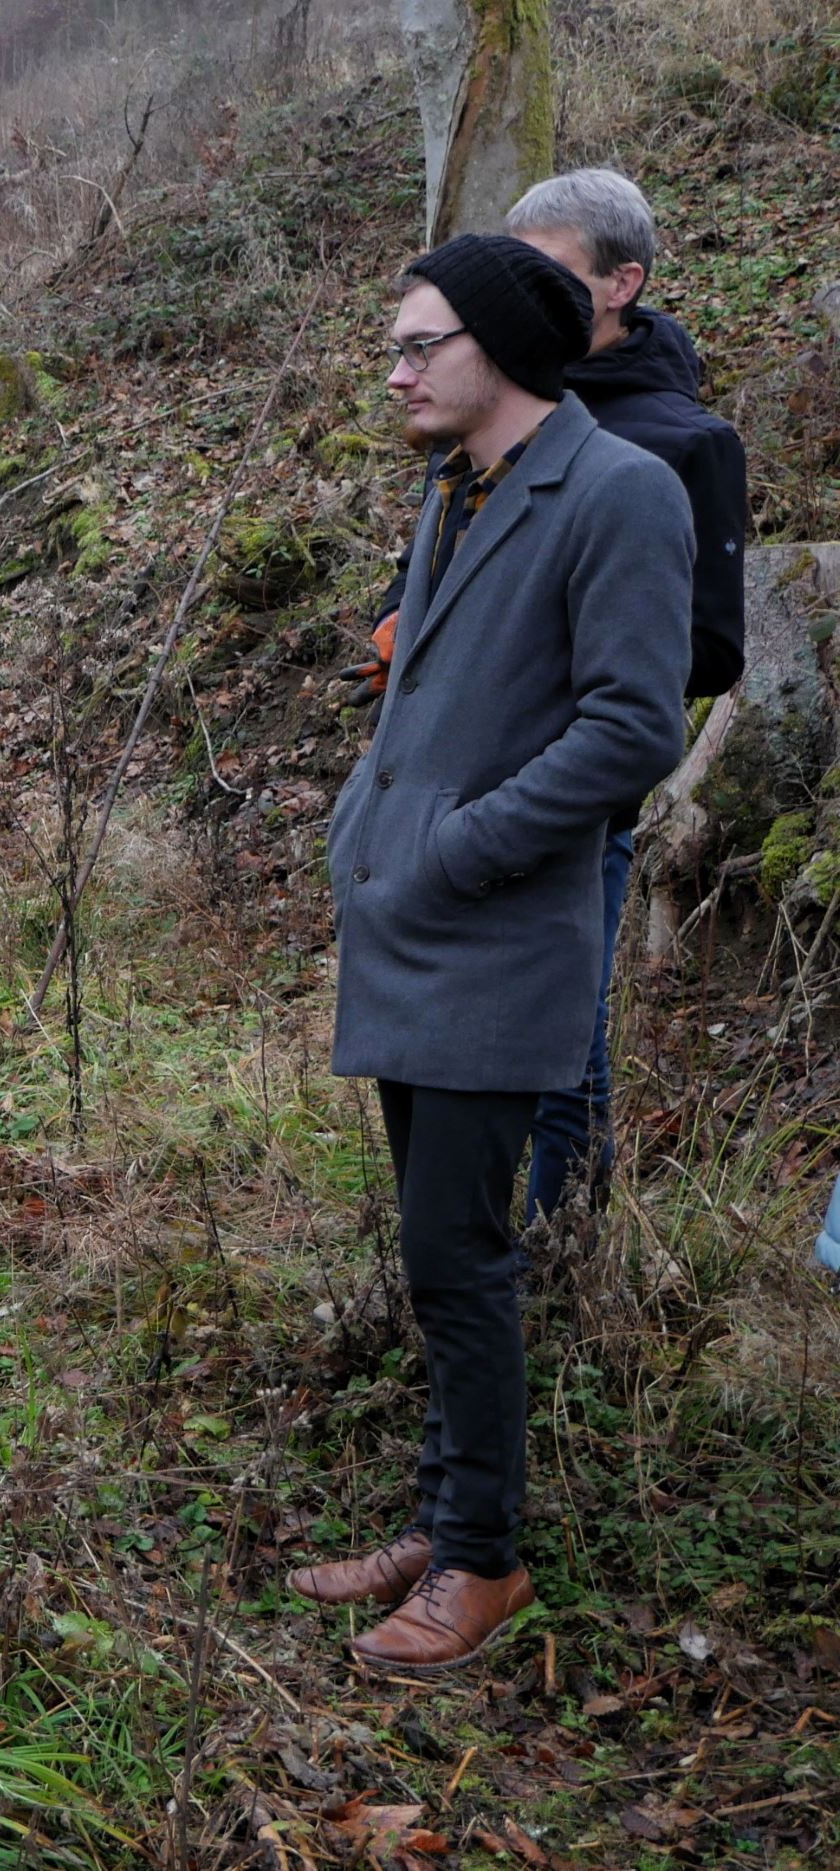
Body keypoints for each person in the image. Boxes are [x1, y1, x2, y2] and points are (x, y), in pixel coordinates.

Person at [299, 234, 692, 1670]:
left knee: (458, 1251)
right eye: (396, 345)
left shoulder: (620, 491)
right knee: (434, 1244)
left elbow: (633, 727)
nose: (396, 369)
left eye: (420, 346)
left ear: (505, 352)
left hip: (499, 931)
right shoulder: (456, 484)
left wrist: (457, 844)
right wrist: (372, 825)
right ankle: (448, 1509)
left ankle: (483, 1558)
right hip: (408, 918)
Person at [343, 170, 749, 1223]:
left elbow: (694, 656)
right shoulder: (472, 431)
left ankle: (562, 1238)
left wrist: (524, 693)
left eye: (551, 271)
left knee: (564, 1045)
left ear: (622, 284)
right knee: (445, 1121)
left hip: (560, 809)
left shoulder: (668, 447)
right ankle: (493, 1256)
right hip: (446, 798)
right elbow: (441, 583)